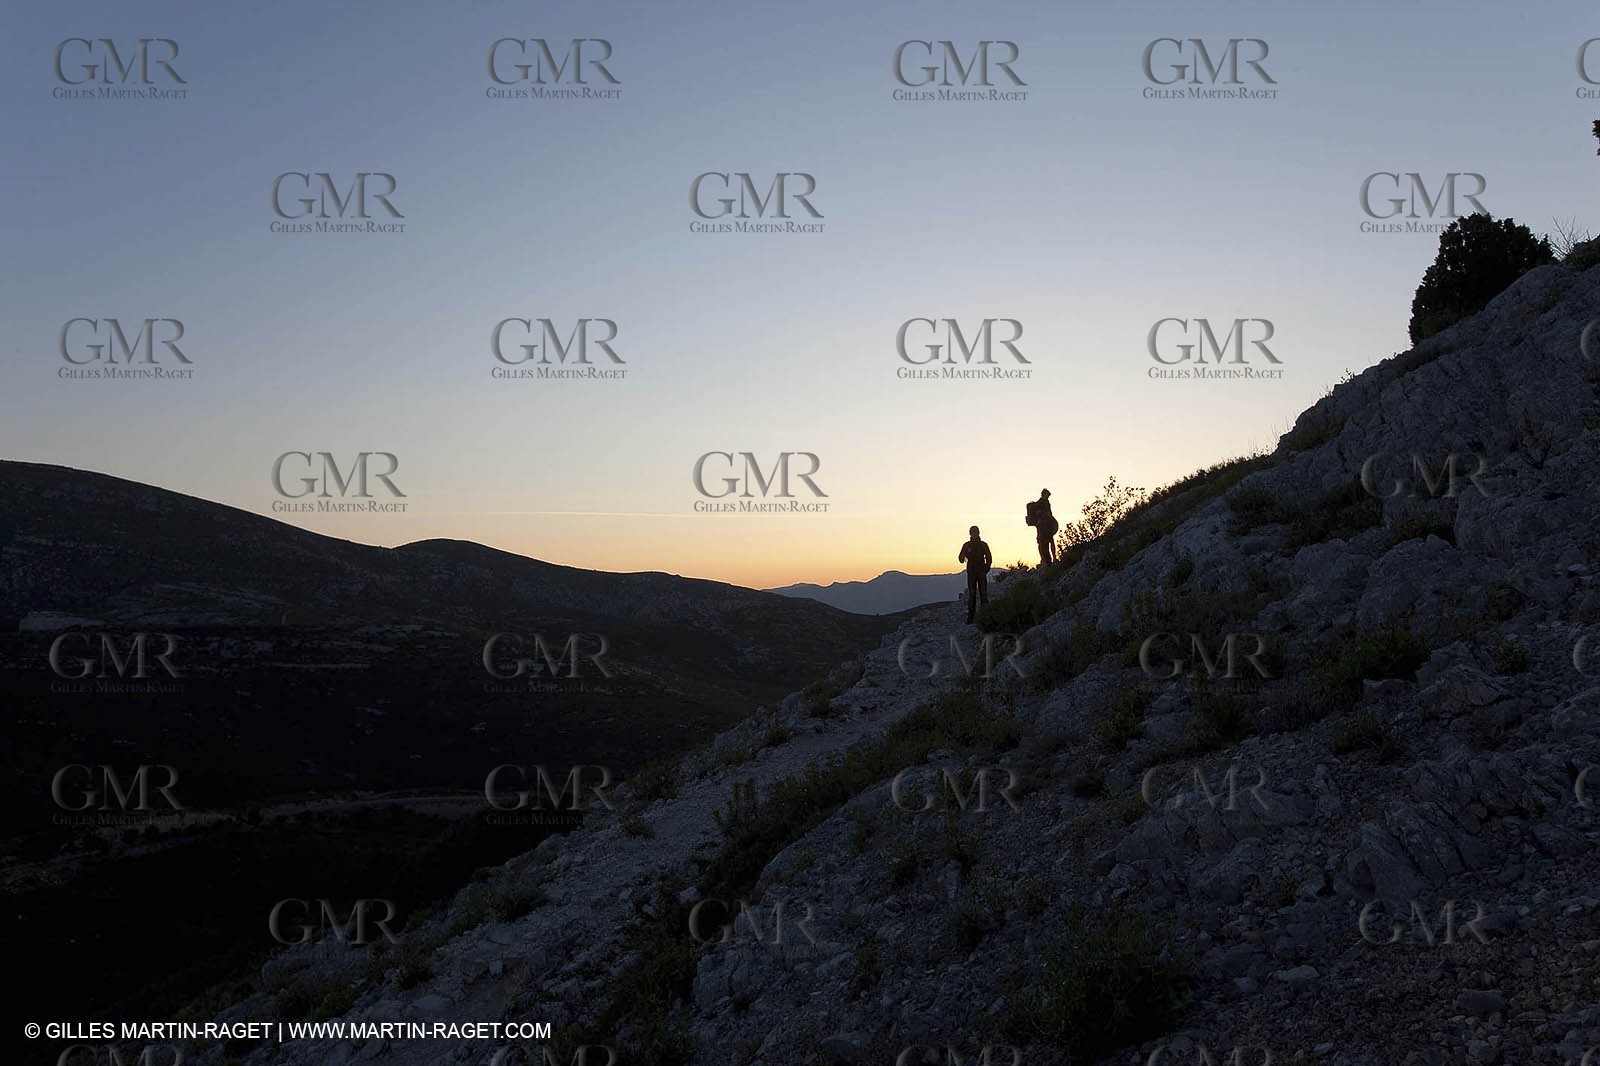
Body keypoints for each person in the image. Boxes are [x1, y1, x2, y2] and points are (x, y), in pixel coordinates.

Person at [958, 525, 992, 624]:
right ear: (970, 534)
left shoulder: (983, 545)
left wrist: (986, 568)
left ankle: (986, 616)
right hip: (971, 573)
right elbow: (960, 558)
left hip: (981, 572)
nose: (974, 534)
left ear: (978, 533)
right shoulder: (966, 545)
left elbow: (989, 557)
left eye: (975, 532)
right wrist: (962, 557)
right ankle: (971, 618)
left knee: (983, 594)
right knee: (972, 595)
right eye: (972, 532)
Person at [1028, 488, 1058, 565]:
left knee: (1043, 543)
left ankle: (1046, 559)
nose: (1048, 496)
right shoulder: (1042, 503)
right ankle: (1048, 559)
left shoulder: (1042, 503)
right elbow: (1047, 514)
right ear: (1044, 494)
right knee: (1045, 543)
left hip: (1043, 526)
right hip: (1044, 527)